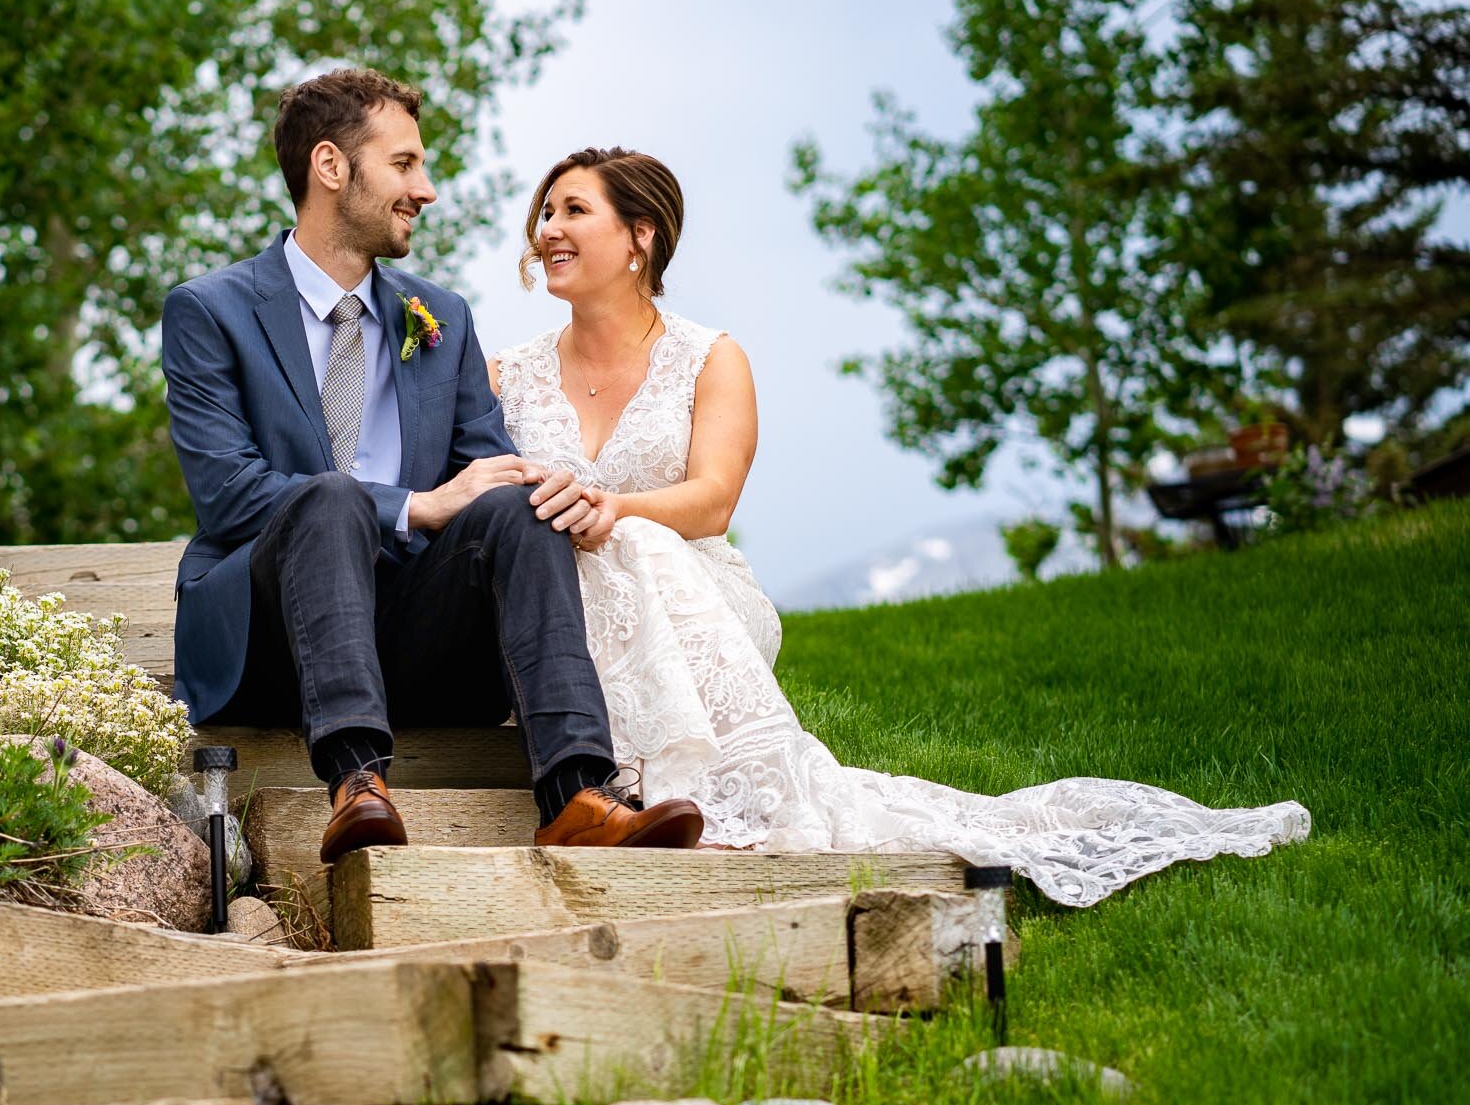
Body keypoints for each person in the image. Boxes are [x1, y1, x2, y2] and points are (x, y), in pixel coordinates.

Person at [490, 146, 1312, 905]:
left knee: (631, 538)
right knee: (565, 547)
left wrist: (615, 509)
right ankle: (614, 788)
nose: (548, 230)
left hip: (690, 593)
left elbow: (712, 500)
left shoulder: (711, 357)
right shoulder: (509, 371)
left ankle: (686, 785)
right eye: (547, 214)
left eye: (571, 211)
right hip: (557, 605)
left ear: (641, 236)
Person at [160, 73, 704, 863]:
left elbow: (481, 477)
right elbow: (229, 495)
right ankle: (356, 782)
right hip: (273, 644)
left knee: (520, 504)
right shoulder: (211, 311)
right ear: (331, 166)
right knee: (331, 498)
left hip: (417, 639)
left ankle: (578, 793)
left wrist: (539, 489)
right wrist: (413, 505)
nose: (428, 189)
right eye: (406, 164)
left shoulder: (439, 315)